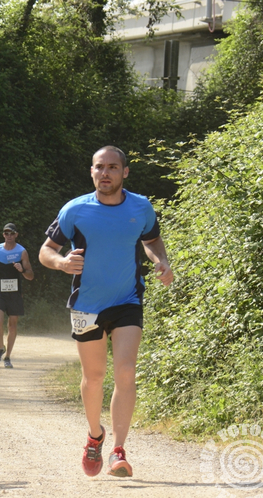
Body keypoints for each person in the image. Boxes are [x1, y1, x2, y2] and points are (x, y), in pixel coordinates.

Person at [38, 146, 173, 478]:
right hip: (86, 305)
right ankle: (94, 435)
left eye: (113, 167)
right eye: (99, 167)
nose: (105, 173)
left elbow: (152, 240)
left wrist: (161, 260)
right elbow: (46, 251)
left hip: (128, 300)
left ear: (125, 172)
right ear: (92, 172)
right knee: (94, 377)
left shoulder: (141, 207)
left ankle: (118, 450)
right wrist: (61, 263)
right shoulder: (75, 210)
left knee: (125, 372)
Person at [0, 223, 34, 368]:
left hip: (14, 293)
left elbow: (31, 275)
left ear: (16, 235)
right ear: (3, 235)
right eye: (6, 233)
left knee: (12, 325)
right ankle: (1, 347)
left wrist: (22, 270)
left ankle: (7, 357)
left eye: (12, 233)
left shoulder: (22, 252)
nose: (9, 236)